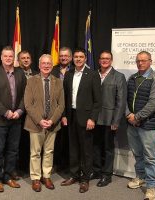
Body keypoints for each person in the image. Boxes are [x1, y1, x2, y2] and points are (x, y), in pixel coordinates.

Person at [0, 46, 26, 192]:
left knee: (13, 150)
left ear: (13, 58)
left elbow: (25, 95)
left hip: (16, 119)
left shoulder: (20, 73)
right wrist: (6, 112)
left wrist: (20, 111)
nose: (8, 58)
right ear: (1, 57)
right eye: (6, 56)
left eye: (11, 56)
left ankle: (8, 176)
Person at [61, 48, 101, 193]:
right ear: (73, 59)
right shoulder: (69, 74)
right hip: (71, 116)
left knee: (86, 150)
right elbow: (65, 97)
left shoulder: (92, 75)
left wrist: (92, 118)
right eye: (76, 57)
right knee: (73, 148)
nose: (78, 59)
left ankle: (85, 179)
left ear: (85, 59)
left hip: (86, 119)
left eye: (81, 57)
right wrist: (64, 115)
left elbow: (98, 100)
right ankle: (74, 175)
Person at [24, 54, 64, 192]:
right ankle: (35, 178)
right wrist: (40, 120)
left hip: (52, 124)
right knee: (35, 152)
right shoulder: (31, 81)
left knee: (49, 151)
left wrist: (52, 120)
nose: (46, 66)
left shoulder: (58, 82)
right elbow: (28, 104)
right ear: (39, 65)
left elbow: (61, 105)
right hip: (35, 124)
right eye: (44, 63)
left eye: (48, 63)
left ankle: (46, 176)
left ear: (52, 65)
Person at [126, 51, 155, 200]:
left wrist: (137, 117)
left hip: (147, 125)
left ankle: (152, 186)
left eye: (143, 60)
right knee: (138, 154)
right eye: (138, 61)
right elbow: (125, 99)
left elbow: (154, 103)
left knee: (150, 157)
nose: (140, 63)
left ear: (150, 61)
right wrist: (128, 115)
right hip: (131, 124)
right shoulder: (132, 78)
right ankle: (140, 177)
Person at [92, 50, 127, 187]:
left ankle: (106, 175)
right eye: (102, 58)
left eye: (107, 58)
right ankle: (96, 171)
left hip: (109, 119)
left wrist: (116, 120)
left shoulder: (119, 76)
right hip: (94, 118)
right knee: (95, 146)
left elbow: (121, 101)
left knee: (107, 148)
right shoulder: (94, 74)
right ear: (99, 60)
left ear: (111, 60)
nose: (104, 60)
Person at [16, 50, 38, 177]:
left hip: (34, 113)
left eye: (28, 58)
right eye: (23, 58)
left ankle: (33, 167)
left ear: (31, 60)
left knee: (33, 142)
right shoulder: (15, 72)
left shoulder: (37, 73)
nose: (25, 60)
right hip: (20, 112)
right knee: (20, 141)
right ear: (19, 60)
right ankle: (21, 168)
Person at [51, 47, 73, 172]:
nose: (63, 58)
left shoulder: (76, 70)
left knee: (69, 138)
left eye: (66, 56)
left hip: (71, 109)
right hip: (55, 109)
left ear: (70, 57)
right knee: (56, 138)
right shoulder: (53, 70)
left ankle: (68, 164)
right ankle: (56, 163)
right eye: (61, 56)